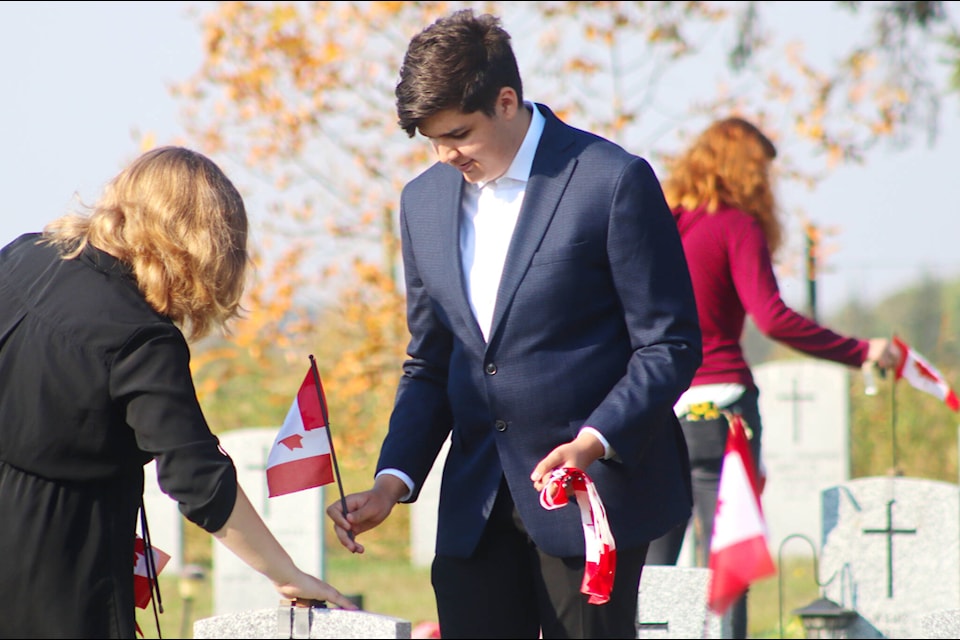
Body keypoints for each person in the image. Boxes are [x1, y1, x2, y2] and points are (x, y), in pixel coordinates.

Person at [324, 9, 702, 640]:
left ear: (506, 101)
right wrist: (394, 480)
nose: (446, 155)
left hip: (588, 499)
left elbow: (668, 345)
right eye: (432, 140)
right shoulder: (421, 202)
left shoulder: (611, 181)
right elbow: (432, 361)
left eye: (459, 135)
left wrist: (594, 440)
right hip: (474, 510)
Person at [0, 146, 358, 639]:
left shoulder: (25, 255)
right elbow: (197, 478)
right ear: (203, 242)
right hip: (61, 565)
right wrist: (285, 572)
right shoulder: (140, 337)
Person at [645, 116, 900, 638]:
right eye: (762, 170)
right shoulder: (737, 225)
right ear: (746, 170)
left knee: (654, 557)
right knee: (730, 554)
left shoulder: (665, 224)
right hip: (724, 413)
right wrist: (860, 351)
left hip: (662, 406)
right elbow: (773, 318)